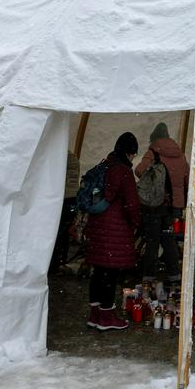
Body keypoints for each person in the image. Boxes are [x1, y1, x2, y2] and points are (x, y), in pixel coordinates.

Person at [84, 132, 142, 331]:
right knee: (110, 273)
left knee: (98, 272)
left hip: (97, 226)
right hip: (114, 230)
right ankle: (107, 317)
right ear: (129, 152)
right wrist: (136, 223)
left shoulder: (105, 165)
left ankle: (95, 315)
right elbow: (132, 204)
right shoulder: (123, 172)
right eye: (133, 154)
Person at [135, 122, 189, 283]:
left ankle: (149, 276)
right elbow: (186, 179)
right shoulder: (180, 154)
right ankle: (174, 274)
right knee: (168, 239)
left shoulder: (153, 152)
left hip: (155, 204)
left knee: (152, 240)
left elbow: (138, 171)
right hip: (174, 206)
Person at [50, 147, 81, 273]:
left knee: (58, 232)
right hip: (72, 198)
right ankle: (61, 261)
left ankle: (55, 262)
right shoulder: (72, 157)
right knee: (64, 232)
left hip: (63, 197)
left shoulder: (60, 156)